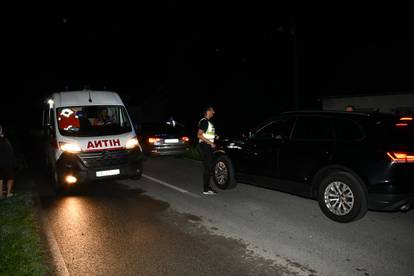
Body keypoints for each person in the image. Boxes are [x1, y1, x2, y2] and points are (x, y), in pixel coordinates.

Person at [197, 105, 218, 195]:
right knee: (208, 168)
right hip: (205, 146)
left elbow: (206, 133)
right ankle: (206, 189)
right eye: (212, 111)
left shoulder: (207, 122)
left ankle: (207, 188)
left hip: (206, 146)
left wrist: (215, 135)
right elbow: (199, 135)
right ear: (207, 112)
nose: (214, 112)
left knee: (208, 168)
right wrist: (211, 143)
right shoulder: (205, 122)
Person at [0, 125, 17, 199]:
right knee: (10, 178)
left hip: (5, 162)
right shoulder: (4, 140)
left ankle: (2, 194)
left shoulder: (5, 140)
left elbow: (10, 151)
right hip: (6, 162)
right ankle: (7, 193)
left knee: (2, 178)